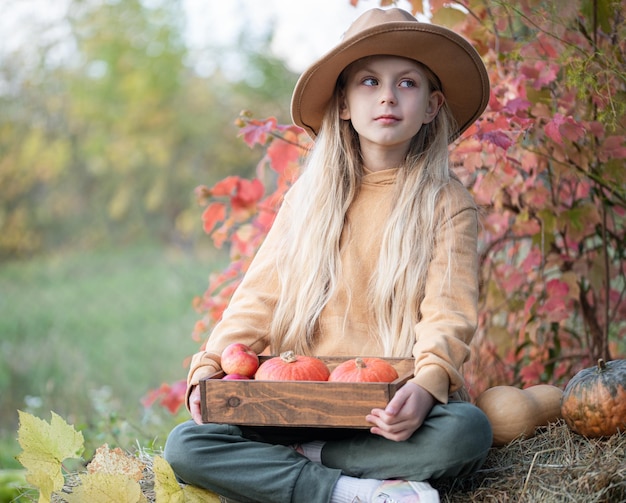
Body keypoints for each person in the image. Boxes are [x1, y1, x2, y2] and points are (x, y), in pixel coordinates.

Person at [165, 7, 492, 503]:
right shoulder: (309, 200)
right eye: (368, 81)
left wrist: (426, 385)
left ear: (431, 105)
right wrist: (208, 368)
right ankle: (343, 491)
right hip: (297, 404)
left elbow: (448, 313)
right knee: (187, 445)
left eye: (407, 83)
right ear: (342, 102)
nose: (387, 95)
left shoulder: (446, 203)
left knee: (466, 432)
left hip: (387, 409)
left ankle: (311, 460)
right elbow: (258, 299)